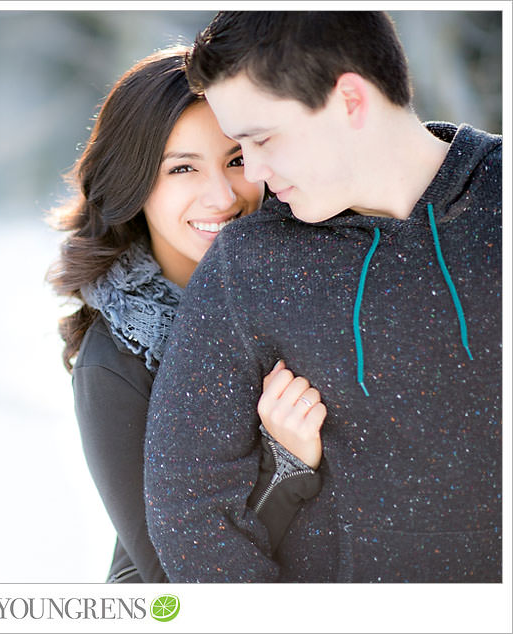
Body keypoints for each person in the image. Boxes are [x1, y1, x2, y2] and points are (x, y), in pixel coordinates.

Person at [144, 11, 502, 582]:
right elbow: (190, 507)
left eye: (260, 139)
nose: (254, 173)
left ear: (351, 100)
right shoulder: (250, 261)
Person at [47, 46, 326, 583]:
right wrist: (285, 466)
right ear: (134, 185)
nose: (221, 196)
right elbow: (173, 581)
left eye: (236, 160)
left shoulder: (307, 281)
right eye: (182, 168)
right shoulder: (114, 363)